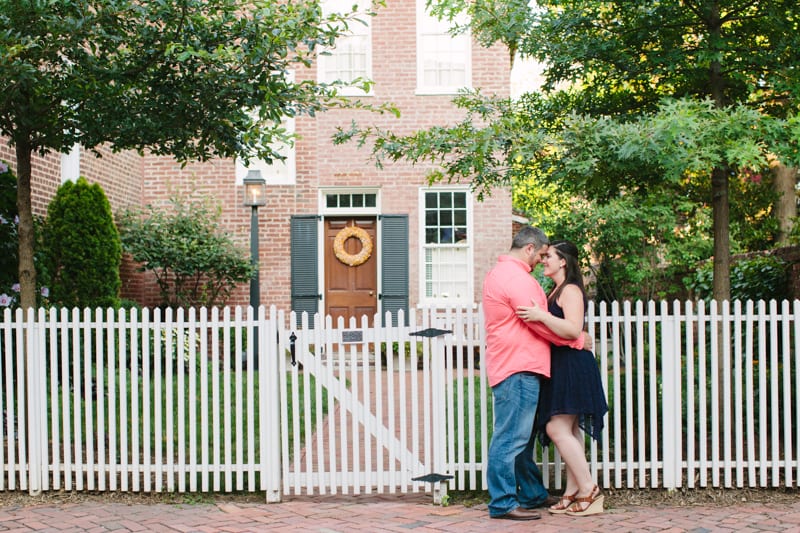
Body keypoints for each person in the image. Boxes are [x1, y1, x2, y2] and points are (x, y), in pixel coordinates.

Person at [482, 226, 589, 521]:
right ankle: (503, 502)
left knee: (522, 439)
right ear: (529, 248)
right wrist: (579, 339)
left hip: (516, 365)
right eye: (541, 254)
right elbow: (538, 325)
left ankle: (531, 494)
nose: (541, 260)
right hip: (517, 366)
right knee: (510, 438)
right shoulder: (517, 279)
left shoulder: (504, 275)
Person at [516, 240, 608, 517]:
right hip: (561, 363)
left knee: (557, 429)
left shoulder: (570, 290)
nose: (544, 260)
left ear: (563, 262)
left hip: (572, 365)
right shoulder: (556, 289)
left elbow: (571, 329)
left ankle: (590, 489)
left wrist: (541, 315)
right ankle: (574, 491)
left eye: (549, 257)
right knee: (570, 431)